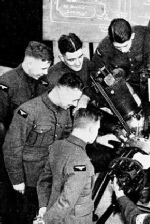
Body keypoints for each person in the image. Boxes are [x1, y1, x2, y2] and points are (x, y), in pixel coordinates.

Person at [3, 72, 83, 224]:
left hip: (49, 176)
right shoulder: (28, 111)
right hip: (29, 179)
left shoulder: (64, 110)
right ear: (61, 90)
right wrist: (17, 180)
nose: (74, 104)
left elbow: (66, 140)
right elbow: (11, 148)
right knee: (26, 217)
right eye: (74, 99)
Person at [0, 41, 53, 222]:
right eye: (43, 68)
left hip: (37, 154)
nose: (46, 73)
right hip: (12, 152)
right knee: (11, 202)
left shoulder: (44, 81)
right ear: (30, 63)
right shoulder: (7, 84)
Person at [37, 107, 102, 224]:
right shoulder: (82, 162)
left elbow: (44, 180)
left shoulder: (56, 146)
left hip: (53, 211)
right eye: (97, 129)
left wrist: (43, 207)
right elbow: (67, 201)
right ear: (91, 129)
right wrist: (45, 221)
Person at [91, 18, 147, 93]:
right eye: (118, 47)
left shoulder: (144, 34)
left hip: (145, 81)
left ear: (132, 36)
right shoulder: (104, 47)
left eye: (126, 45)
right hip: (121, 85)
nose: (123, 50)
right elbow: (96, 71)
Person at [46, 33, 94, 111]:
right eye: (72, 60)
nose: (78, 63)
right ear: (62, 58)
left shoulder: (86, 63)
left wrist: (86, 97)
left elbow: (93, 86)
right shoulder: (52, 76)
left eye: (80, 56)